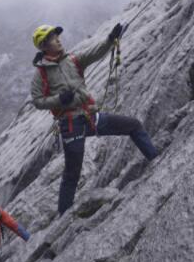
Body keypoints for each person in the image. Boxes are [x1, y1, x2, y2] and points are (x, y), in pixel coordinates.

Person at [30, 24, 159, 215]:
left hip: (89, 116)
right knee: (72, 173)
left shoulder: (72, 59)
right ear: (43, 46)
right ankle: (63, 216)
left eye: (57, 36)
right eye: (52, 38)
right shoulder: (40, 74)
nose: (58, 39)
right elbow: (38, 101)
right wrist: (59, 100)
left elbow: (95, 52)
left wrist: (110, 39)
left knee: (134, 125)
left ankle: (157, 161)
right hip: (70, 124)